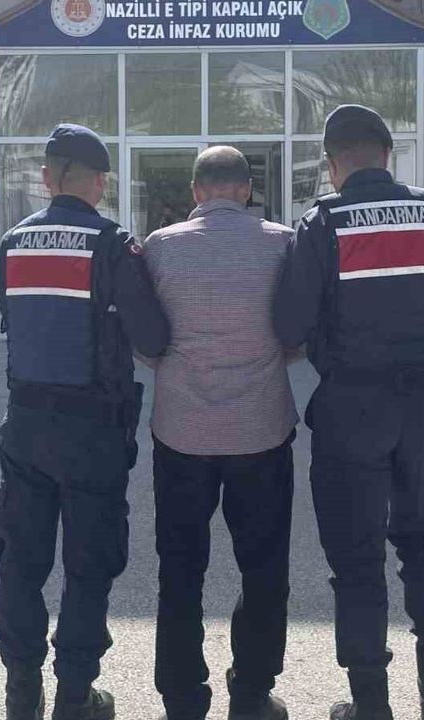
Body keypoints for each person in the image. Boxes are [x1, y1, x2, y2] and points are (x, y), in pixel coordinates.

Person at [273, 105, 424, 720]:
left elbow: (289, 324)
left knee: (358, 562)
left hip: (353, 411)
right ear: (388, 155)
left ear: (333, 165)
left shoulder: (323, 223)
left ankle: (370, 706)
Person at [0, 123, 169, 720]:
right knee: (88, 565)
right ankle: (75, 698)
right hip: (93, 432)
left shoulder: (14, 242)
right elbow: (153, 338)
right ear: (100, 183)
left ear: (47, 178)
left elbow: (11, 317)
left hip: (25, 426)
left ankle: (21, 694)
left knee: (22, 561)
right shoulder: (114, 245)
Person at [139, 146, 298, 720]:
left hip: (181, 433)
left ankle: (182, 697)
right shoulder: (284, 244)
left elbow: (147, 341)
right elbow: (297, 334)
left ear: (196, 192)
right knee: (264, 567)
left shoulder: (160, 246)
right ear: (248, 191)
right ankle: (251, 694)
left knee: (180, 567)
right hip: (262, 431)